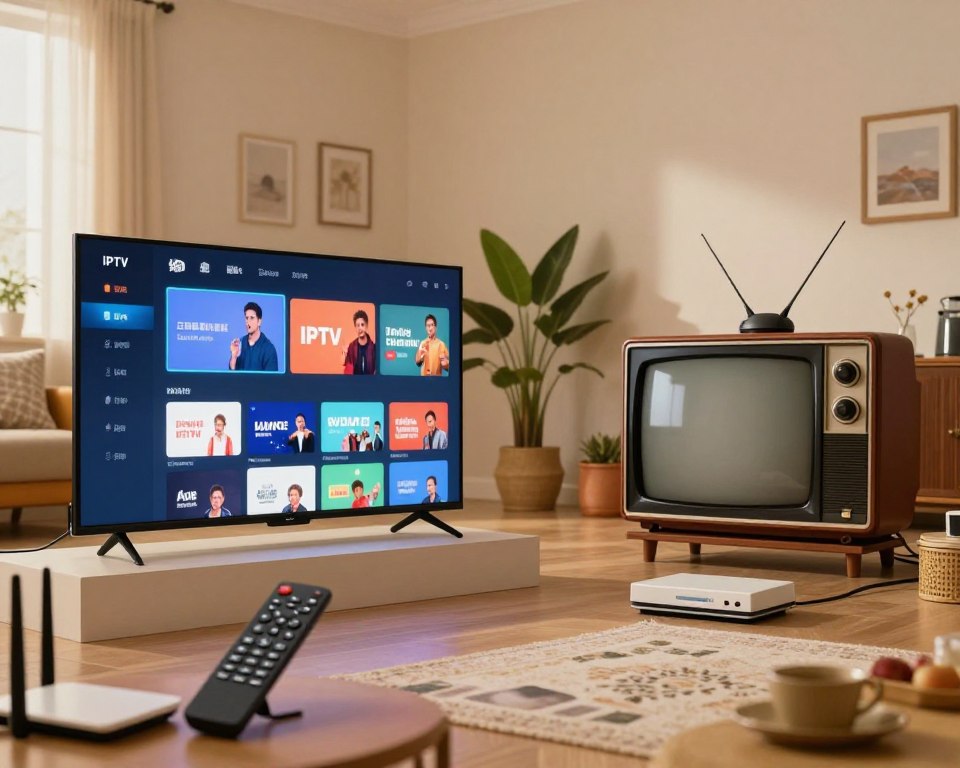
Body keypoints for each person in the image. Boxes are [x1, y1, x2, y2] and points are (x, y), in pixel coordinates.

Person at [229, 301, 279, 371]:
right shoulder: (240, 344)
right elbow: (232, 375)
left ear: (259, 321)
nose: (248, 322)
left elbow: (272, 380)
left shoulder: (269, 348)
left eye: (252, 318)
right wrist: (234, 356)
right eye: (246, 318)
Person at [341, 309, 376, 375]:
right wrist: (344, 355)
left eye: (362, 325)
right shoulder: (351, 347)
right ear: (355, 328)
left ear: (366, 326)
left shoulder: (373, 347)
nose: (360, 328)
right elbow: (347, 371)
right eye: (358, 325)